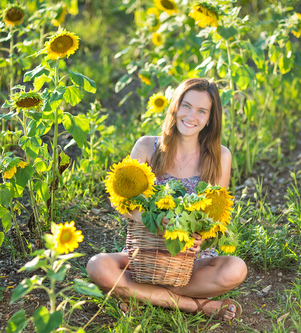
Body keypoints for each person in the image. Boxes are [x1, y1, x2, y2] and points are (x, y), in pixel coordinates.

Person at [86, 78, 247, 321]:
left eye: (202, 111)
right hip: (144, 256)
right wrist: (152, 221)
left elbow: (215, 217)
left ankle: (137, 295)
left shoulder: (220, 156)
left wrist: (199, 239)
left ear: (209, 119)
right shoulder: (146, 147)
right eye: (186, 106)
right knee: (97, 266)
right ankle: (196, 306)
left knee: (236, 269)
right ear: (175, 106)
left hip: (189, 261)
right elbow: (123, 203)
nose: (191, 116)